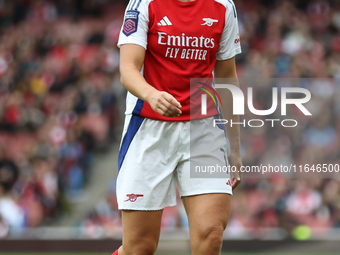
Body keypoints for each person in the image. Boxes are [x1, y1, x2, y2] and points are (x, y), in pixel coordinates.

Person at [113, 0, 242, 254]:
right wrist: (152, 95)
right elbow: (128, 70)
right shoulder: (144, 4)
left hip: (203, 128)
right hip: (148, 127)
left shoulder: (224, 7)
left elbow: (227, 75)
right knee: (139, 248)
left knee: (211, 234)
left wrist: (235, 147)